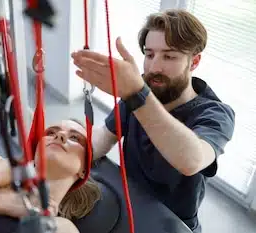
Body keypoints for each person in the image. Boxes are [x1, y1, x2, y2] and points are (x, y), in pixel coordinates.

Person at [71, 9, 235, 233]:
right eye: (149, 55)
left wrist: (137, 94)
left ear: (194, 62)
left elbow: (192, 160)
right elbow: (103, 138)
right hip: (129, 205)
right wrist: (67, 151)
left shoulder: (215, 114)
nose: (154, 68)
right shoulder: (141, 90)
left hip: (173, 225)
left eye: (169, 56)